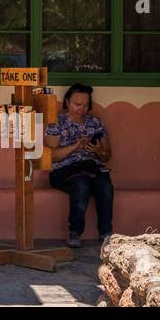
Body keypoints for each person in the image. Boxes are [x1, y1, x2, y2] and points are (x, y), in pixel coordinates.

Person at [43, 83, 113, 248]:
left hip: (92, 168)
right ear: (67, 102)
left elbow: (107, 156)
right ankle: (75, 233)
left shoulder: (95, 122)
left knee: (105, 187)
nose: (81, 109)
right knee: (81, 184)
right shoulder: (57, 122)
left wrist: (98, 149)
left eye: (85, 105)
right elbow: (52, 156)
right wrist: (75, 146)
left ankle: (106, 234)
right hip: (64, 171)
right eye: (77, 104)